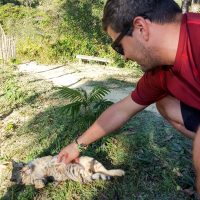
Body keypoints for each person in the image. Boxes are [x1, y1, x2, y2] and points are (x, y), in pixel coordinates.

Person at [58, 0, 200, 194]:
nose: (123, 57)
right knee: (164, 102)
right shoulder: (160, 71)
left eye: (119, 47)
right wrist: (77, 145)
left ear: (141, 27)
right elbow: (123, 109)